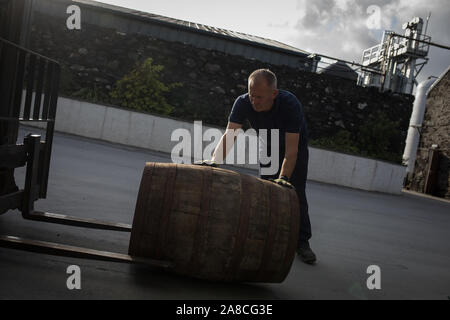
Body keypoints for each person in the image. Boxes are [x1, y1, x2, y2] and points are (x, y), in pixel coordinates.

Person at [198, 69, 316, 264]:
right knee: (266, 191)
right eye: (252, 95)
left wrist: (284, 177)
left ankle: (302, 243)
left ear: (274, 94)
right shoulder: (243, 102)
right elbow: (230, 135)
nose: (254, 101)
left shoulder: (289, 104)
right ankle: (266, 237)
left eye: (259, 97)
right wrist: (214, 160)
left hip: (293, 147)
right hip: (268, 145)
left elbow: (291, 150)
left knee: (294, 192)